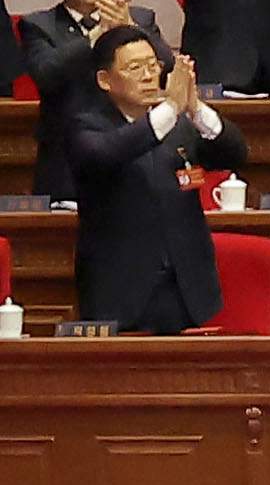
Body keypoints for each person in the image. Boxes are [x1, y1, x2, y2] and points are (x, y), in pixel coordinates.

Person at [49, 21, 241, 332]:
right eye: (135, 67)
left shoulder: (178, 125)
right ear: (104, 80)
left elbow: (235, 154)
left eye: (153, 65)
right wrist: (170, 107)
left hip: (185, 287)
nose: (149, 74)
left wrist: (195, 109)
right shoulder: (83, 126)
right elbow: (112, 152)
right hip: (120, 290)